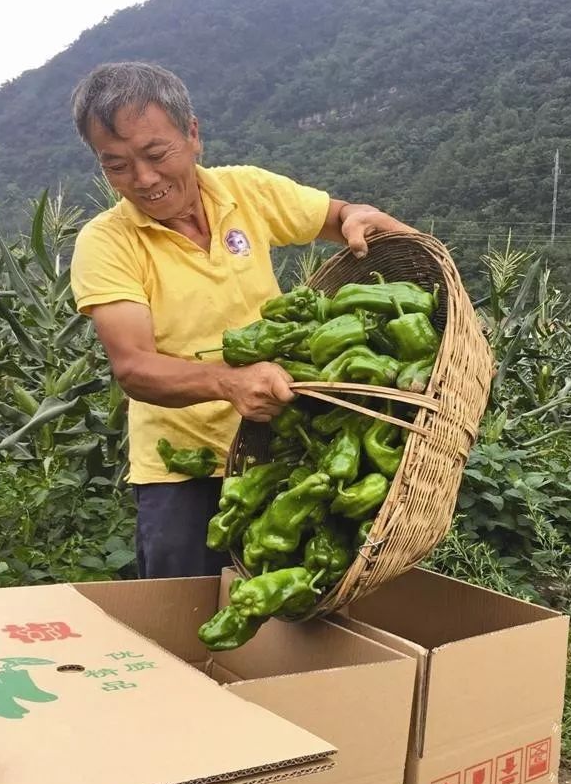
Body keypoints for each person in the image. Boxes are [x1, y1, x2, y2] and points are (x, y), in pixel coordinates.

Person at [69, 61, 416, 580]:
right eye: (116, 165)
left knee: (296, 609)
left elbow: (340, 217)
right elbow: (135, 367)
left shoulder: (246, 192)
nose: (143, 179)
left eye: (155, 154)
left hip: (284, 448)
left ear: (192, 134)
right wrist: (228, 383)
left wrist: (358, 217)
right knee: (183, 619)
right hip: (181, 473)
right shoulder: (107, 241)